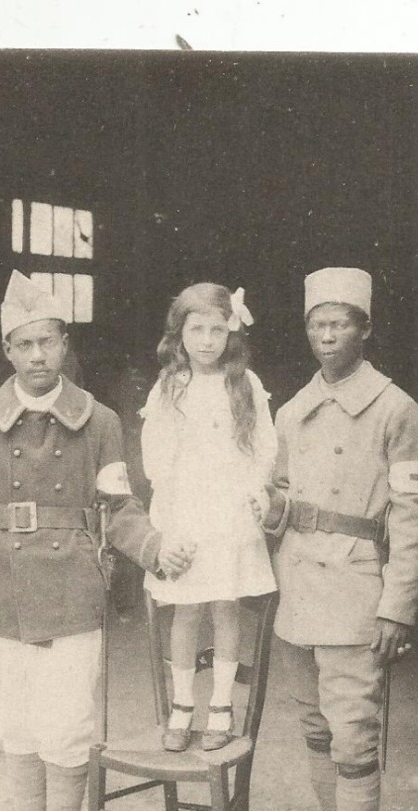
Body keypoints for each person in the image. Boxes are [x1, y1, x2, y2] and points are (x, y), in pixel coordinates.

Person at [0, 270, 192, 811]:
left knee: (69, 722)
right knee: (17, 722)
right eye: (24, 346)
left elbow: (118, 509)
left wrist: (156, 549)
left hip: (73, 592)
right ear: (8, 352)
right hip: (2, 592)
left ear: (64, 345)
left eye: (48, 343)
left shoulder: (100, 420)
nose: (37, 357)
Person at [252, 267, 418, 811]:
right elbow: (274, 491)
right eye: (316, 325)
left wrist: (397, 607)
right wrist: (264, 512)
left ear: (364, 328)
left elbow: (413, 516)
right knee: (315, 730)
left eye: (339, 324)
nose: (327, 336)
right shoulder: (291, 409)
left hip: (357, 587)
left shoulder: (395, 409)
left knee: (354, 736)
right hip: (296, 587)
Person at [140, 283, 277, 752]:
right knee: (186, 610)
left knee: (226, 608)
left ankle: (221, 704)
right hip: (187, 514)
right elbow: (155, 455)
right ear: (179, 335)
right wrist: (170, 520)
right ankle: (182, 706)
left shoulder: (245, 385)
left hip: (230, 515)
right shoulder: (169, 387)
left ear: (231, 333)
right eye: (196, 330)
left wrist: (256, 490)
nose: (206, 341)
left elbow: (264, 448)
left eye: (217, 330)